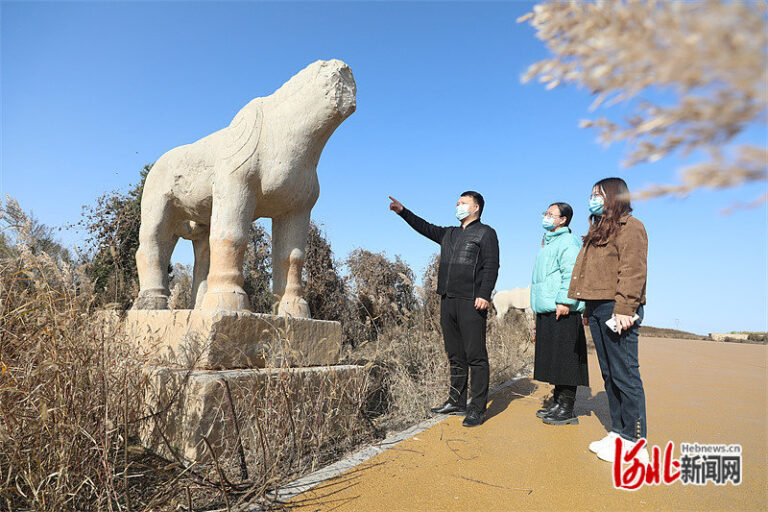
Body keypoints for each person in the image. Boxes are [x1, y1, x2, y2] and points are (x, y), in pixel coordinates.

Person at [389, 192, 499, 427]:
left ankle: (477, 408)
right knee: (455, 354)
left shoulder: (485, 233)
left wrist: (484, 294)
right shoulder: (449, 233)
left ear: (476, 207)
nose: (458, 206)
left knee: (476, 356)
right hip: (448, 300)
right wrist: (403, 212)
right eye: (457, 202)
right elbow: (425, 227)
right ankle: (456, 401)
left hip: (472, 300)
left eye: (463, 203)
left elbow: (491, 265)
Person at [568, 177, 649, 463]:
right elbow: (593, 275)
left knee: (626, 375)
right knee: (610, 374)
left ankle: (636, 442)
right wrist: (589, 310)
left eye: (598, 195)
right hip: (600, 306)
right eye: (592, 194)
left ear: (614, 197)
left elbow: (633, 270)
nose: (593, 199)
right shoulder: (598, 229)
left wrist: (626, 308)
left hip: (619, 308)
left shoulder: (631, 227)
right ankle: (619, 433)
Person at [531, 202, 588, 426]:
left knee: (565, 358)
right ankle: (557, 403)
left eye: (551, 214)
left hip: (561, 307)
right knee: (554, 357)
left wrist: (565, 300)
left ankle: (567, 408)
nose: (546, 217)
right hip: (548, 307)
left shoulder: (568, 241)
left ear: (563, 220)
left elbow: (572, 272)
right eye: (545, 213)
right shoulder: (549, 242)